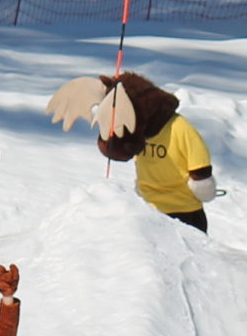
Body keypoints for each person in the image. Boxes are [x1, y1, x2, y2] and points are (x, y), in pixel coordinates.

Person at [44, 70, 216, 232]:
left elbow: (200, 172)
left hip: (185, 213)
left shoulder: (181, 129)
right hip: (149, 209)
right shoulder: (140, 131)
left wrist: (202, 186)